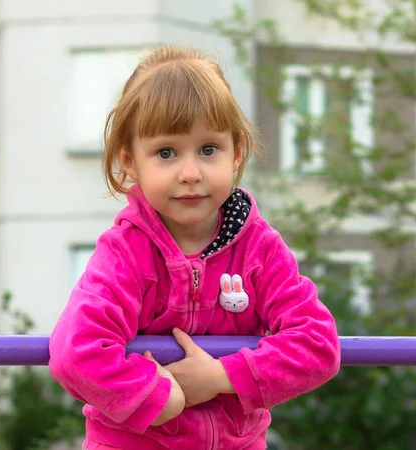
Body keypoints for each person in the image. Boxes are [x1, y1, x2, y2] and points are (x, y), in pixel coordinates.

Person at [48, 44, 341, 450]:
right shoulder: (125, 254)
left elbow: (317, 343)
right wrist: (154, 395)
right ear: (129, 160)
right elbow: (75, 353)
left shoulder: (259, 249)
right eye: (166, 152)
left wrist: (222, 377)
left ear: (236, 151)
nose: (190, 173)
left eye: (208, 150)